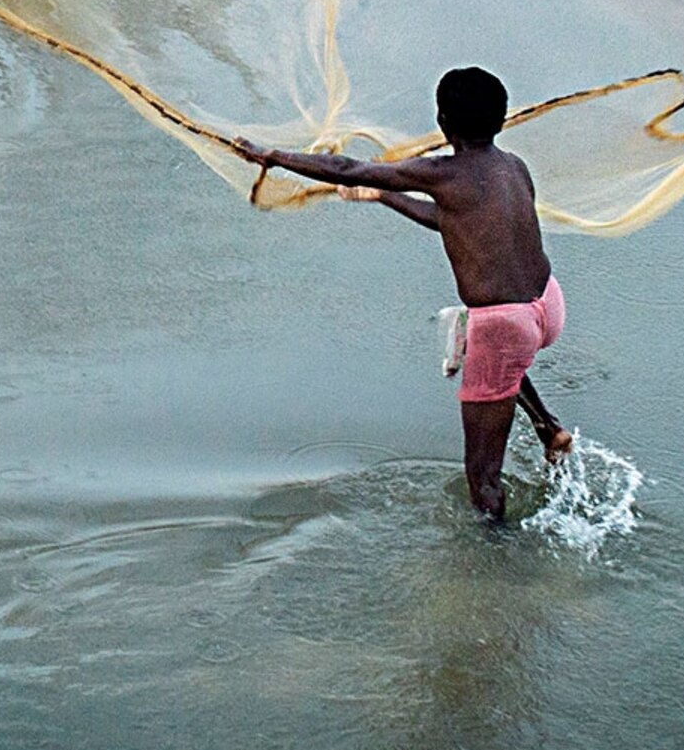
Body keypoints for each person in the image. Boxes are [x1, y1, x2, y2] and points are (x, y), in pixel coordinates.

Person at [234, 66, 573, 523]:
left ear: (443, 122)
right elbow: (453, 220)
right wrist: (384, 197)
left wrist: (269, 155)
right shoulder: (514, 167)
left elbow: (346, 168)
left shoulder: (442, 173)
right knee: (482, 339)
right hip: (546, 306)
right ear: (501, 120)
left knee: (483, 478)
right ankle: (548, 427)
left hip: (506, 324)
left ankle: (496, 573)